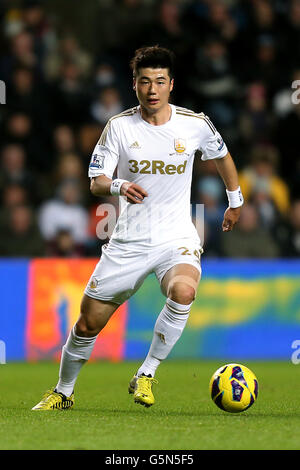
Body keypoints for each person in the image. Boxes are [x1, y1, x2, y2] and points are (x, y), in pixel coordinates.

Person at [32, 46, 243, 411]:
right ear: (134, 85)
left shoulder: (194, 124)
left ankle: (146, 372)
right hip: (128, 238)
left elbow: (221, 155)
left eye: (160, 81)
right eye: (145, 82)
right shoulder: (118, 127)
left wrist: (235, 200)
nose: (152, 89)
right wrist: (118, 185)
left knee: (183, 290)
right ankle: (63, 392)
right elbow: (95, 181)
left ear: (171, 84)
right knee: (87, 325)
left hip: (176, 235)